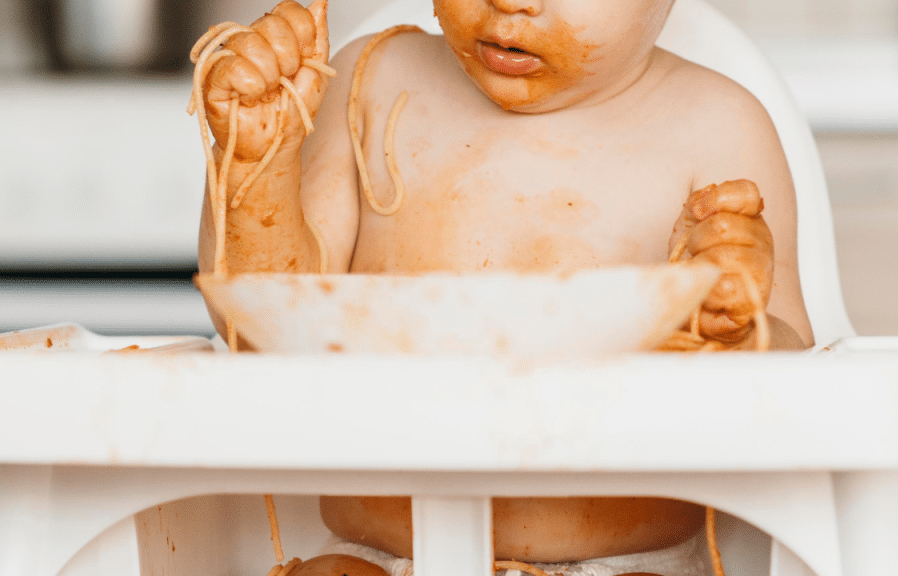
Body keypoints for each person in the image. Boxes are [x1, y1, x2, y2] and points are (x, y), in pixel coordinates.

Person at [195, 0, 814, 573]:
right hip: (376, 556)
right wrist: (256, 165)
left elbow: (809, 387)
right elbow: (266, 326)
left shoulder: (717, 125)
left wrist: (734, 330)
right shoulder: (368, 84)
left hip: (630, 563)